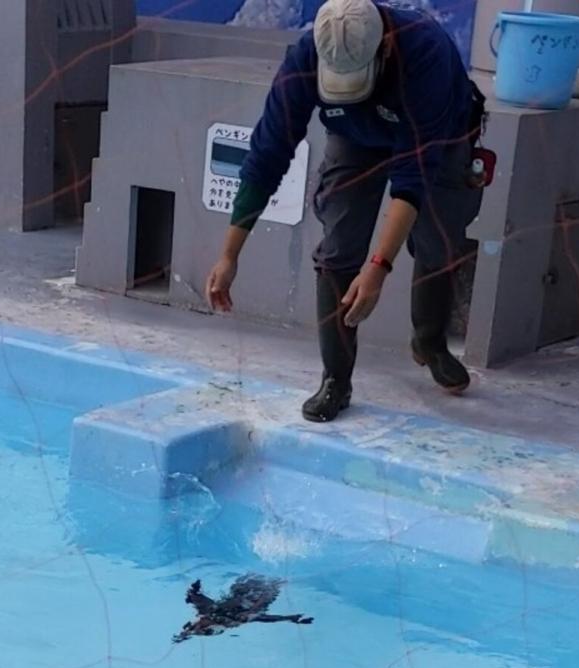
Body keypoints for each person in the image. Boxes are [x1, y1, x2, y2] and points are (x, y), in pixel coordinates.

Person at [205, 0, 486, 423]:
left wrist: (378, 267)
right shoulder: (305, 56)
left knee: (438, 238)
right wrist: (229, 254)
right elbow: (267, 154)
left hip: (438, 138)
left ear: (384, 47)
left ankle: (430, 342)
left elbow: (412, 177)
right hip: (354, 135)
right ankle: (336, 378)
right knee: (338, 243)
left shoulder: (426, 51)